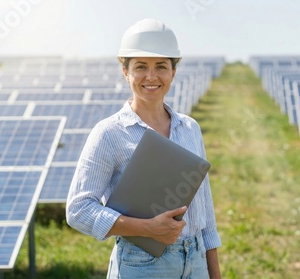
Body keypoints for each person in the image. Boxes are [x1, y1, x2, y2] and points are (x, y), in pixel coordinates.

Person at [66, 18, 222, 278]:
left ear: (173, 71)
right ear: (125, 71)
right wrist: (146, 228)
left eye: (161, 66)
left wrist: (213, 273)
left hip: (196, 262)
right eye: (140, 67)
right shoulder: (109, 133)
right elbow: (78, 210)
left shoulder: (190, 128)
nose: (151, 76)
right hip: (141, 265)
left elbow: (205, 212)